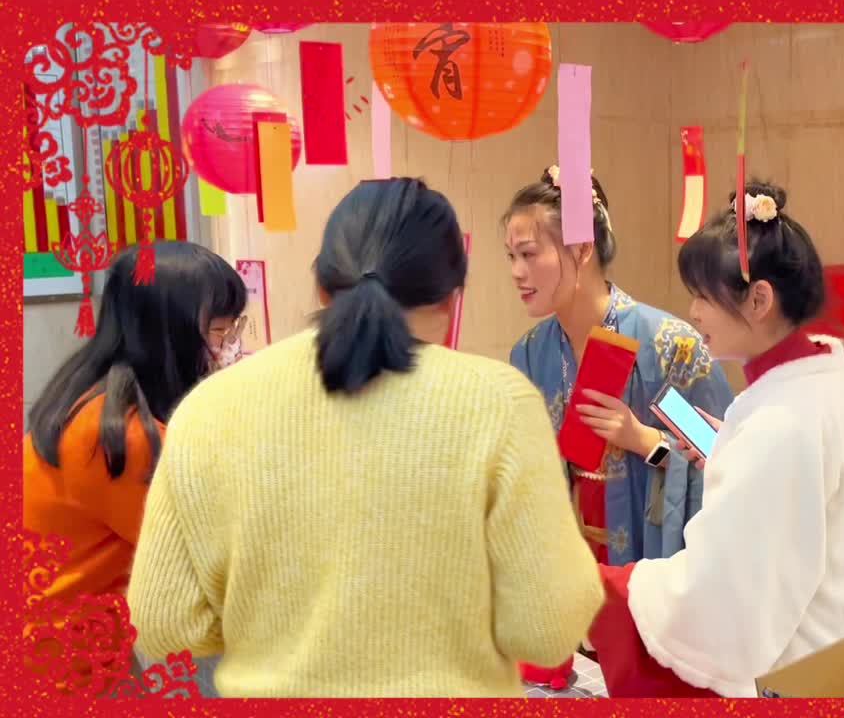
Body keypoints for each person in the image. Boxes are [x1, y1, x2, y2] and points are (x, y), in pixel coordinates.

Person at [126, 178, 603, 698]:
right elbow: (547, 628)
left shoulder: (207, 410)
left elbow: (163, 624)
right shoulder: (500, 403)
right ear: (450, 299)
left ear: (322, 288)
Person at [587, 182, 844, 697]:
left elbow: (723, 596)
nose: (693, 312)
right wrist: (729, 451)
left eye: (702, 296)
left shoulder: (780, 423)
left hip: (810, 673)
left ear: (759, 299)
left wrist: (612, 590)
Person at [23, 242, 246, 696]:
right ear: (171, 332)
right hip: (68, 664)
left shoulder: (88, 396)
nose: (229, 348)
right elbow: (211, 560)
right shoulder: (121, 436)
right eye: (220, 331)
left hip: (57, 640)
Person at [503, 166, 733, 569]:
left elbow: (722, 458)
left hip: (651, 566)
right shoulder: (530, 354)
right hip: (567, 567)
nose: (516, 272)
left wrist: (643, 439)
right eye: (511, 256)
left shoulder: (666, 347)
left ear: (581, 249)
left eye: (529, 253)